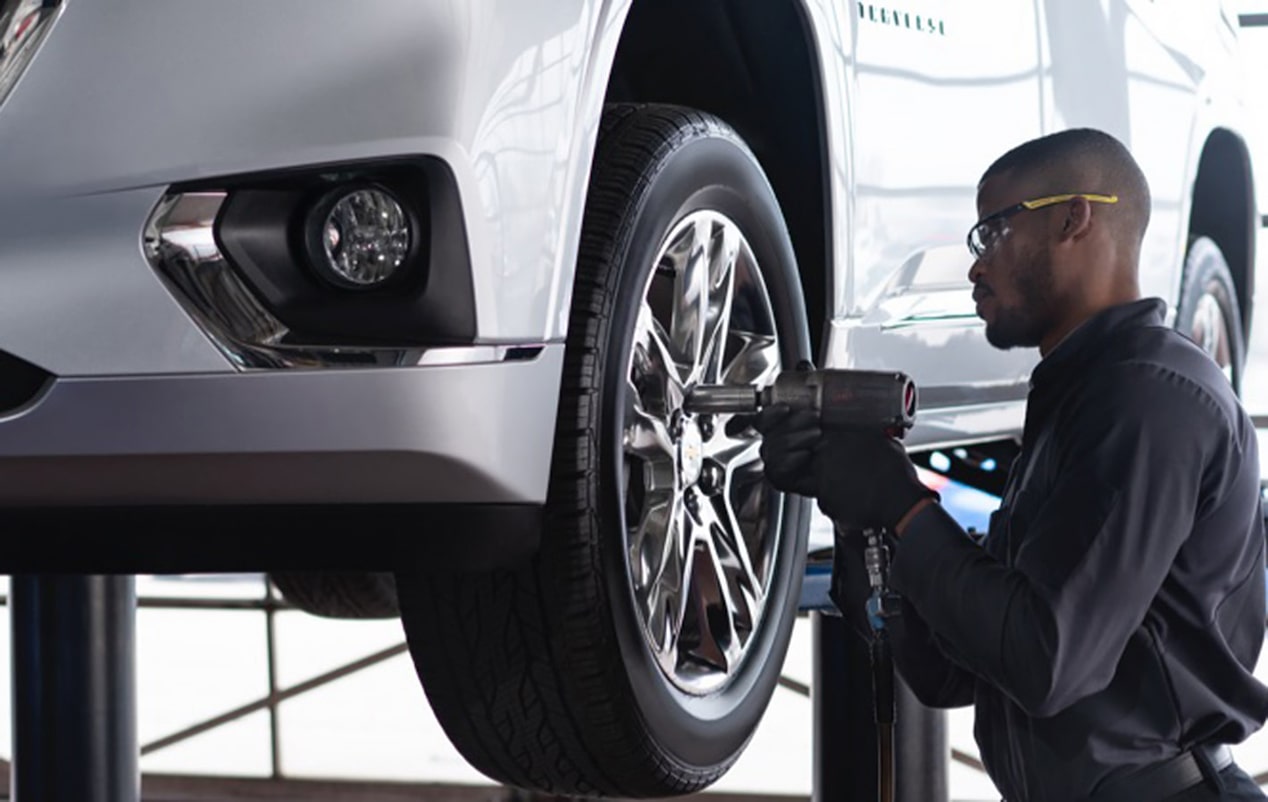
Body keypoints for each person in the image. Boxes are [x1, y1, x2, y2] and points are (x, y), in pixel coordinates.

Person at [757, 128, 1268, 801]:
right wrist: (859, 521)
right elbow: (950, 674)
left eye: (991, 233)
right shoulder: (1078, 401)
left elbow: (1044, 660)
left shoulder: (1149, 398)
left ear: (1073, 217)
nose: (975, 266)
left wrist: (906, 508)